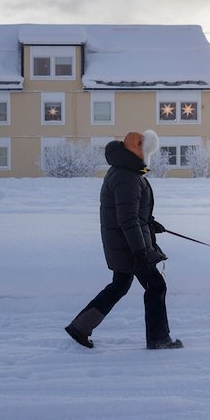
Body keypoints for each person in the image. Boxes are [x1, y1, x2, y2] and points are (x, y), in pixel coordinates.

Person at [65, 130, 183, 350]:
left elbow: (132, 212)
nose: (147, 154)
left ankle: (80, 327)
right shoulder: (127, 176)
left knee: (119, 285)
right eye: (145, 149)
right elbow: (127, 219)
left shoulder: (125, 172)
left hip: (123, 244)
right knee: (156, 285)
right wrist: (141, 253)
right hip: (130, 247)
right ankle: (159, 339)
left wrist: (150, 223)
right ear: (136, 148)